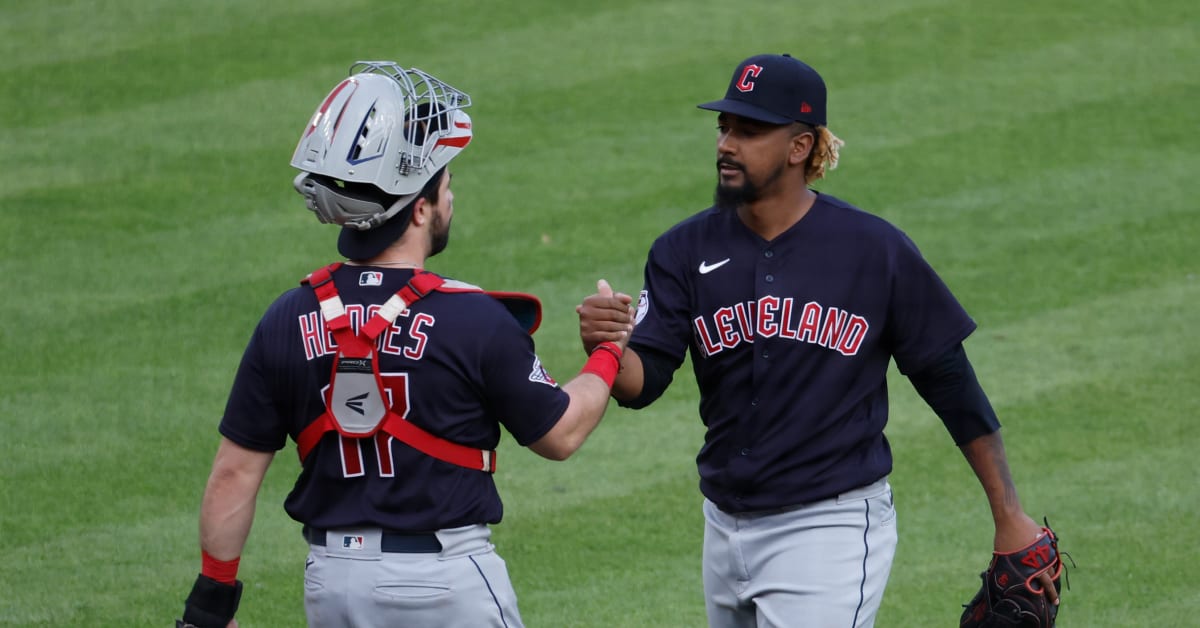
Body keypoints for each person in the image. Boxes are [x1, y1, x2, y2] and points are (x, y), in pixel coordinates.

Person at [577, 53, 1058, 627]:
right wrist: (609, 346)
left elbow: (949, 381)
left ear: (800, 147)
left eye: (749, 131)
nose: (727, 144)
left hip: (827, 528)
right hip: (723, 526)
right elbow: (644, 380)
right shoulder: (683, 250)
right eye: (724, 128)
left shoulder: (874, 250)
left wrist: (1009, 513)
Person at [177, 61, 632, 628]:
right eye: (445, 186)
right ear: (420, 208)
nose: (451, 197)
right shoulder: (474, 318)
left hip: (332, 586)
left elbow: (234, 474)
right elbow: (559, 434)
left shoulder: (286, 317)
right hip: (444, 584)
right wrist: (608, 351)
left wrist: (210, 606)